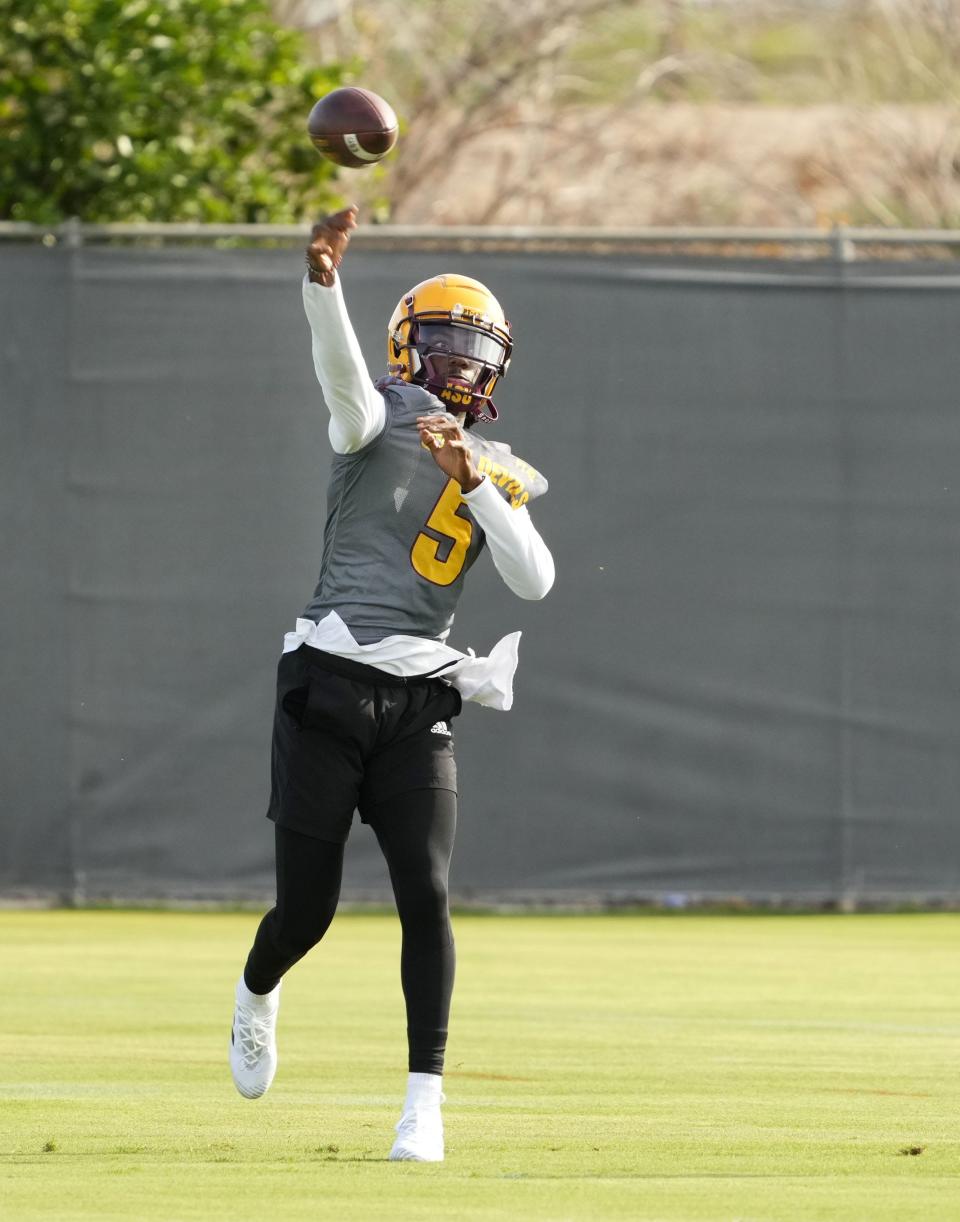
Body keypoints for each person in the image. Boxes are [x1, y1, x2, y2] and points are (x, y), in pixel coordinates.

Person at [228, 205, 554, 1162]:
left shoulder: (496, 463)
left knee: (427, 892)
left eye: (474, 351)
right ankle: (256, 992)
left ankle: (424, 1106)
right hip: (328, 684)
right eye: (446, 345)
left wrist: (478, 483)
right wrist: (322, 282)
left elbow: (534, 579)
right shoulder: (371, 414)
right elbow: (338, 376)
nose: (459, 364)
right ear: (410, 347)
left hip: (420, 700)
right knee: (308, 913)